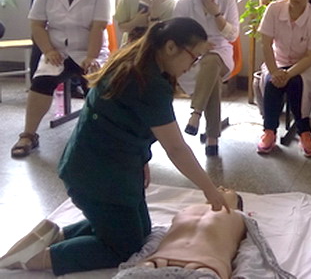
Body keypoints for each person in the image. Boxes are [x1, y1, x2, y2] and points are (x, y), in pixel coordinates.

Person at [0, 18, 230, 274]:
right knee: (125, 247)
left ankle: (55, 234)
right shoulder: (150, 83)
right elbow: (176, 148)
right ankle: (37, 259)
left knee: (141, 230)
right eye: (194, 57)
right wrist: (209, 189)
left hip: (95, 163)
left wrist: (141, 160)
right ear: (170, 47)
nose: (192, 66)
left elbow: (124, 122)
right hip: (100, 177)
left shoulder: (132, 60)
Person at [10, 0, 111, 158]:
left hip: (88, 49)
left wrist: (92, 57)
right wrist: (48, 50)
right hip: (57, 49)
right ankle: (28, 135)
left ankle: (100, 137)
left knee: (96, 85)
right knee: (41, 83)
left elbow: (98, 27)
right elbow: (37, 25)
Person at [256, 0, 311, 157]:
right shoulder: (274, 9)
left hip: (308, 66)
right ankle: (269, 131)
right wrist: (274, 71)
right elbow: (265, 43)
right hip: (278, 60)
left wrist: (288, 74)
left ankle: (304, 133)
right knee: (272, 81)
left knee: (296, 83)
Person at [174, 0, 240, 156]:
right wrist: (198, 47)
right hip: (191, 55)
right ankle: (213, 138)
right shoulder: (184, 4)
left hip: (221, 54)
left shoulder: (228, 2)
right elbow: (176, 35)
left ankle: (196, 114)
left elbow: (232, 36)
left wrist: (216, 13)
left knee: (212, 61)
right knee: (213, 80)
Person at [135, 188, 245, 278]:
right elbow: (160, 235)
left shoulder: (242, 219)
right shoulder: (188, 209)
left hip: (207, 266)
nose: (220, 188)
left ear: (237, 205)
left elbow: (249, 250)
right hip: (158, 260)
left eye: (227, 190)